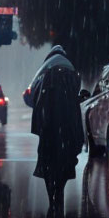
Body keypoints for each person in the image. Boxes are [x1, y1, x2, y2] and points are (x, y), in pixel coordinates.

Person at [24, 45, 85, 205]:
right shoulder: (71, 73)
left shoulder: (44, 74)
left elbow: (30, 98)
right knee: (70, 153)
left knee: (46, 155)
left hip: (48, 125)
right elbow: (76, 93)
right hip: (67, 124)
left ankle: (53, 195)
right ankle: (59, 191)